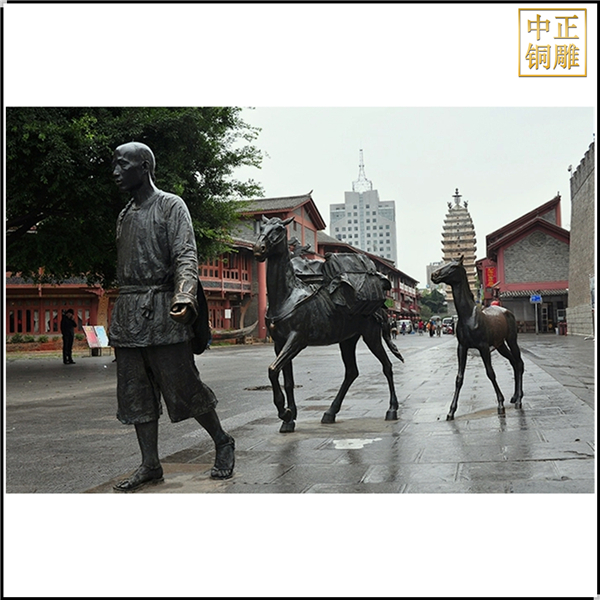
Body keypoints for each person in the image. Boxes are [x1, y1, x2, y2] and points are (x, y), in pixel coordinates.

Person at [109, 141, 234, 492]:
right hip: (129, 313)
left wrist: (184, 295)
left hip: (164, 311)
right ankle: (150, 464)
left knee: (184, 387)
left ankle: (223, 440)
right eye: (114, 165)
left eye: (122, 165)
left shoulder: (171, 206)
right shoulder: (124, 215)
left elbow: (185, 256)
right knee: (135, 394)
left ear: (144, 167)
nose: (115, 172)